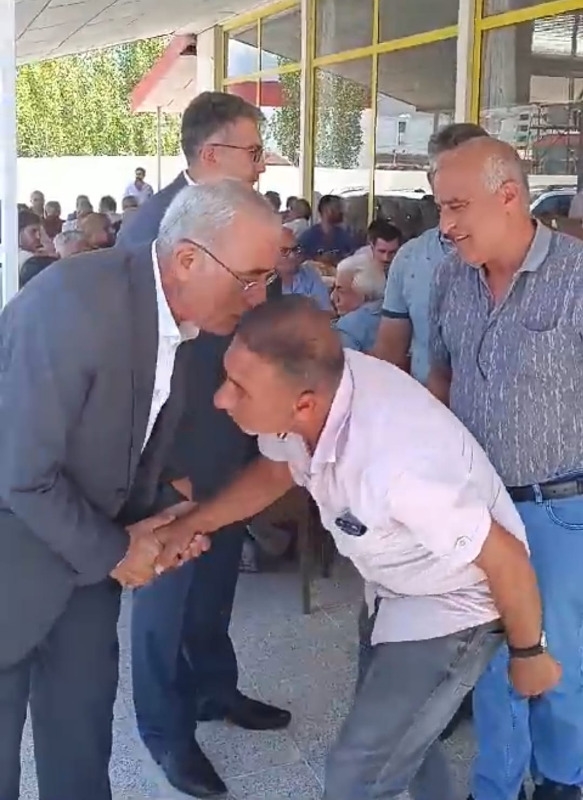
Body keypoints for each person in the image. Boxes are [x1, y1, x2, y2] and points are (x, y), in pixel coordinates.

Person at [155, 295, 561, 800]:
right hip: (393, 585)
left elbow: (506, 558)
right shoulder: (314, 394)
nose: (221, 398)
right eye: (227, 378)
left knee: (358, 772)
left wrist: (529, 653)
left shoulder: (398, 465)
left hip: (453, 605)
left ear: (303, 404)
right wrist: (193, 523)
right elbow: (278, 470)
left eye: (239, 389)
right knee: (405, 741)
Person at [0, 180, 279, 800]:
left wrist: (165, 521)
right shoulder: (73, 308)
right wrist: (119, 550)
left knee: (80, 750)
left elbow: (125, 442)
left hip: (81, 567)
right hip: (13, 561)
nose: (259, 298)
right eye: (249, 278)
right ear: (188, 260)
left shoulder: (176, 318)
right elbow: (22, 473)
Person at [117, 91, 289, 799]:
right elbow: (139, 370)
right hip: (176, 463)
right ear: (213, 153)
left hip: (232, 444)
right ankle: (166, 733)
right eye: (253, 150)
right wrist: (165, 474)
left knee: (215, 586)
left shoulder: (244, 218)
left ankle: (217, 688)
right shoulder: (153, 231)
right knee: (165, 602)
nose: (262, 162)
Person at [428, 135, 583, 800]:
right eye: (439, 207)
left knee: (557, 658)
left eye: (456, 206)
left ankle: (562, 779)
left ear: (509, 196)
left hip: (558, 508)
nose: (445, 225)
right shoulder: (449, 277)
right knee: (487, 659)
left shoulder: (576, 276)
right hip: (473, 510)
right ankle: (496, 786)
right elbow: (440, 376)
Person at [372, 123, 488, 383]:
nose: (457, 183)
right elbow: (389, 356)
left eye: (468, 172)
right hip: (429, 403)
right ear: (430, 179)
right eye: (446, 172)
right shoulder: (410, 258)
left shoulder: (524, 259)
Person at [332, 256, 385, 352]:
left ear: (362, 293)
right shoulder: (398, 314)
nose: (332, 296)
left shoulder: (348, 327)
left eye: (340, 290)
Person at [278, 225, 332, 312]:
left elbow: (326, 311)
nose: (292, 256)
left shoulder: (309, 273)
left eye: (295, 249)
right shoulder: (260, 283)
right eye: (284, 251)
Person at [298, 194, 354, 263]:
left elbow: (352, 258)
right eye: (338, 208)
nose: (342, 212)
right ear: (328, 211)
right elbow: (298, 260)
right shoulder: (307, 237)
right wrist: (317, 260)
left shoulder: (344, 236)